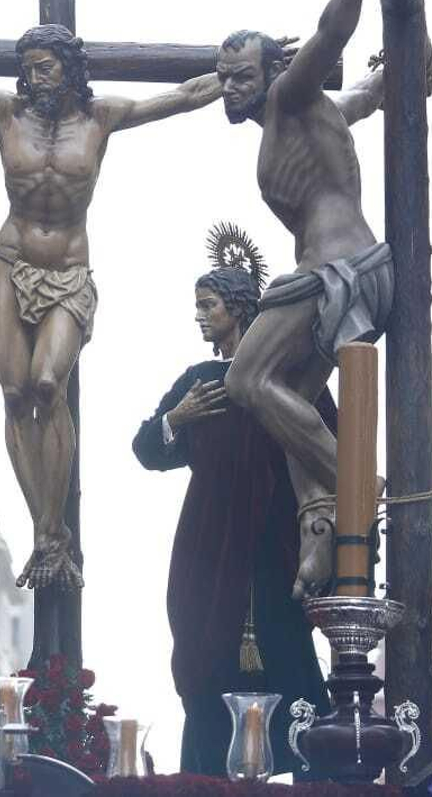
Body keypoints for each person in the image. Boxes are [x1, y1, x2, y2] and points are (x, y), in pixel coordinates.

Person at [0, 27, 224, 589]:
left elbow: (184, 96)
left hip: (67, 268)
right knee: (16, 394)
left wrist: (239, 72)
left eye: (44, 67)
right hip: (9, 264)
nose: (34, 78)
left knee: (47, 383)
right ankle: (45, 532)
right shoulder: (4, 113)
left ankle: (53, 531)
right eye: (29, 68)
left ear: (69, 67)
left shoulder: (100, 119)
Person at [214, 0, 432, 598]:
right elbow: (373, 90)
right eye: (224, 75)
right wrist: (406, 65)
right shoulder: (324, 114)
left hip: (336, 269)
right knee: (291, 407)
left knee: (247, 378)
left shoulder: (290, 94)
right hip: (362, 273)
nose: (232, 85)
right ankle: (321, 536)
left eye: (242, 72)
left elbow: (328, 36)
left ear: (272, 68)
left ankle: (354, 483)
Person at [132, 225, 332, 775]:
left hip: (275, 542)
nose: (199, 315)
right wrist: (179, 418)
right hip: (209, 545)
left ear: (239, 309)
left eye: (207, 305)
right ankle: (203, 777)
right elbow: (146, 449)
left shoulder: (287, 377)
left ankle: (318, 774)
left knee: (290, 660)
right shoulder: (200, 382)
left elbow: (330, 448)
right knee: (203, 661)